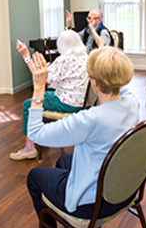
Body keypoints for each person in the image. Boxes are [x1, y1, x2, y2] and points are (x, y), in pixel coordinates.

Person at [26, 47, 139, 228]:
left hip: (92, 205)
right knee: (63, 161)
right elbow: (120, 88)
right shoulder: (132, 104)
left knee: (34, 177)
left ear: (94, 84)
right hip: (122, 193)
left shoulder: (90, 119)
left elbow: (36, 134)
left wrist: (39, 88)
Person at [9, 30, 88, 161]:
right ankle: (39, 137)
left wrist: (26, 57)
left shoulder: (63, 60)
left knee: (29, 104)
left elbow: (40, 78)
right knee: (46, 94)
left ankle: (29, 148)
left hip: (66, 104)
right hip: (82, 103)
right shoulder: (86, 58)